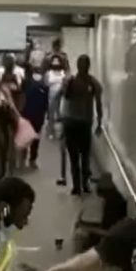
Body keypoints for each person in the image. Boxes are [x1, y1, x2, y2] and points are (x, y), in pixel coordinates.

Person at [56, 54, 103, 195]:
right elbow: (63, 96)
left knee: (83, 156)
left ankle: (82, 184)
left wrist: (100, 122)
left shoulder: (93, 83)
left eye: (85, 64)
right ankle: (79, 185)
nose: (83, 67)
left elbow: (98, 104)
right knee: (76, 156)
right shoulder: (71, 81)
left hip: (82, 123)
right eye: (81, 64)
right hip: (73, 122)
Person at [73, 173, 128, 251]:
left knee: (80, 234)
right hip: (112, 233)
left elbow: (110, 232)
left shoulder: (111, 205)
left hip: (111, 239)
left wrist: (87, 227)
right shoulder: (115, 198)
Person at [21, 65, 49, 168]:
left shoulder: (27, 83)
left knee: (27, 137)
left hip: (29, 114)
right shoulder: (43, 85)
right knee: (34, 138)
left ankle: (26, 158)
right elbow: (46, 102)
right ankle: (31, 159)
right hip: (34, 114)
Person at [45, 55, 67, 139]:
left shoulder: (63, 72)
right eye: (54, 61)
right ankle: (51, 132)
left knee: (61, 114)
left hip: (61, 96)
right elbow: (46, 84)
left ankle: (62, 133)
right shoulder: (49, 73)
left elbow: (65, 83)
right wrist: (53, 83)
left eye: (57, 61)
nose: (55, 62)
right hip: (51, 96)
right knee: (51, 115)